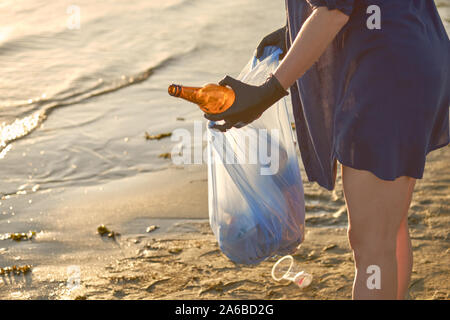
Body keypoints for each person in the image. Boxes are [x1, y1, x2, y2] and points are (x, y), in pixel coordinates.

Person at [204, 0, 449, 299]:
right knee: (387, 227)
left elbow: (333, 12)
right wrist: (293, 33)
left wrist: (268, 91)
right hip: (413, 54)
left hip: (385, 76)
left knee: (371, 244)